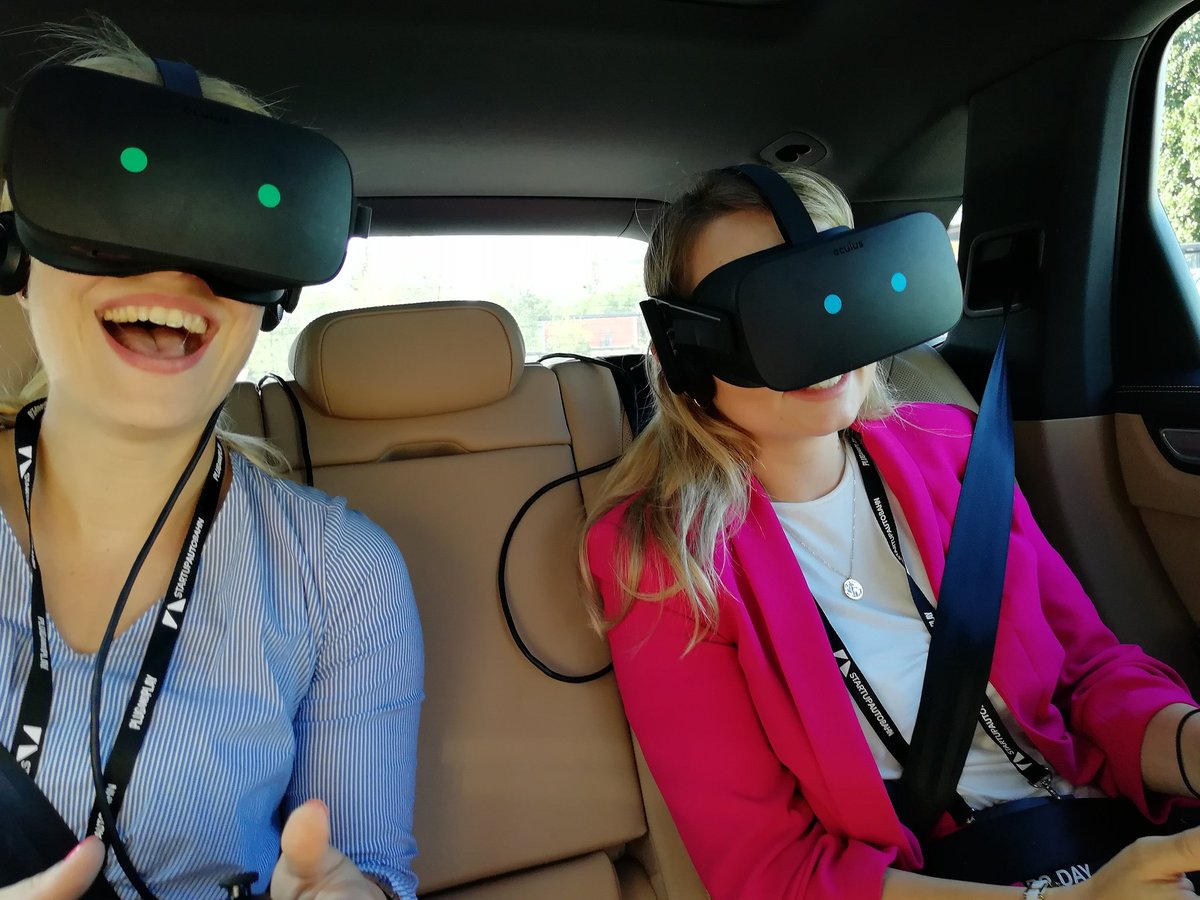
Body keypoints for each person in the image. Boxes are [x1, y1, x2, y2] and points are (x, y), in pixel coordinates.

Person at [583, 164, 1200, 899]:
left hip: (1110, 832)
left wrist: (1192, 748)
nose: (822, 340)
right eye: (772, 314)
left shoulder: (953, 448)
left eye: (835, 291)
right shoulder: (663, 558)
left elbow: (1088, 676)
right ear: (683, 351)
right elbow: (771, 871)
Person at [0, 21, 422, 900]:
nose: (176, 268)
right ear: (17, 253)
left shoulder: (340, 575)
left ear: (273, 293)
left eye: (230, 229)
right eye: (108, 210)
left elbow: (373, 869)